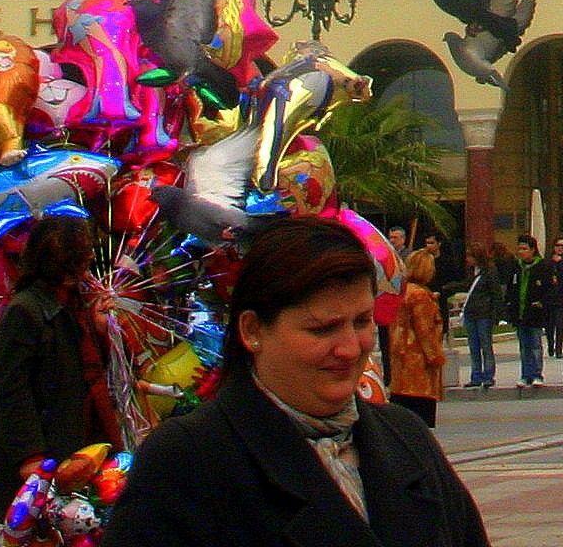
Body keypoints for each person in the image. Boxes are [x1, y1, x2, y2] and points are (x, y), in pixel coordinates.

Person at [103, 218, 488, 547]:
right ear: (253, 330)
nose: (349, 348)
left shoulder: (405, 437)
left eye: (361, 322)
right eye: (322, 329)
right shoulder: (188, 458)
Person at [0, 217, 122, 522]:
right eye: (81, 255)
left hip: (79, 442)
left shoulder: (75, 304)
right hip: (44, 451)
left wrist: (99, 329)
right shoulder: (25, 310)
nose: (89, 261)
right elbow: (12, 391)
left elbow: (89, 367)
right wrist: (31, 457)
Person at [385, 243, 446, 425]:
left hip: (400, 361)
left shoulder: (401, 292)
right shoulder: (420, 296)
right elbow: (425, 331)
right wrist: (435, 357)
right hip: (418, 365)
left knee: (402, 420)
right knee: (420, 421)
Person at [508, 235, 550, 389]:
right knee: (524, 346)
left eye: (524, 249)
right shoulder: (516, 267)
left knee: (535, 345)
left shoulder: (542, 266)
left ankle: (537, 374)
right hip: (520, 313)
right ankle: (525, 375)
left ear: (533, 250)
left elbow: (549, 289)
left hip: (535, 314)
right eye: (519, 248)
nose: (521, 252)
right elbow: (511, 288)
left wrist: (541, 303)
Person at [459, 247, 501, 391]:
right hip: (471, 313)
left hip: (484, 314)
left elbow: (496, 293)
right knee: (473, 346)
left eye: (470, 257)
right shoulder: (472, 272)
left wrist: (496, 314)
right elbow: (466, 285)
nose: (467, 260)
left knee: (485, 345)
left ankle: (488, 375)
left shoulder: (489, 272)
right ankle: (476, 376)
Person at [543, 238, 563, 361]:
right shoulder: (547, 260)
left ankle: (559, 349)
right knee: (549, 324)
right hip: (548, 297)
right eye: (558, 245)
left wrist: (560, 263)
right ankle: (551, 345)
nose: (560, 248)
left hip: (561, 297)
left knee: (560, 324)